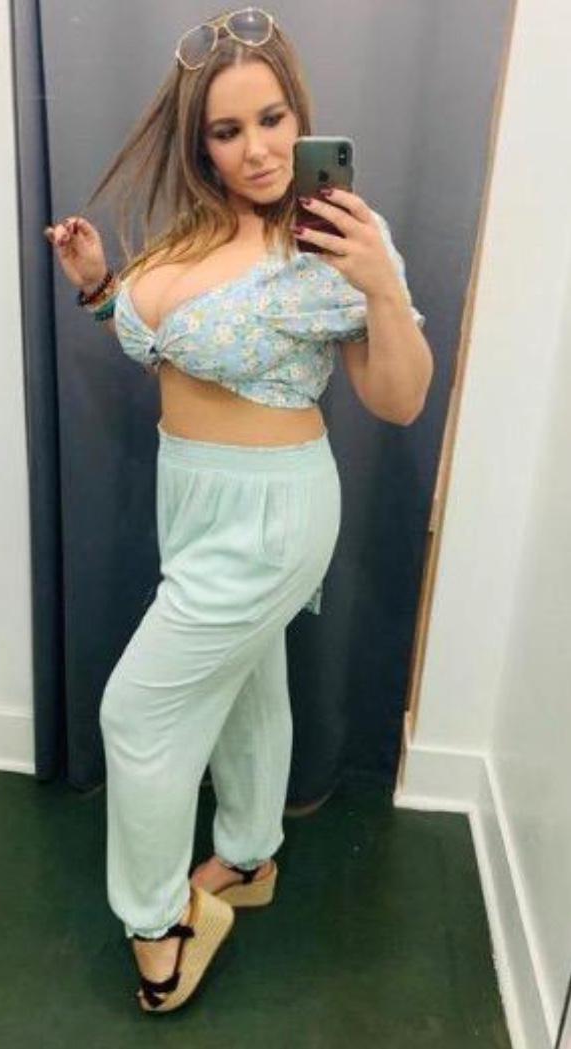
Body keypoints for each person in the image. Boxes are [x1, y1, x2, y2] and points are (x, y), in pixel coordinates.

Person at [45, 6, 432, 1014]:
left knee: (138, 712)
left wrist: (381, 288)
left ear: (300, 118)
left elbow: (398, 400)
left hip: (272, 513)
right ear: (201, 143)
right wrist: (103, 291)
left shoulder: (338, 242)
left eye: (272, 119)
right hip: (193, 497)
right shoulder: (192, 235)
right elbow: (175, 353)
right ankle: (251, 854)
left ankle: (158, 924)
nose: (257, 148)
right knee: (250, 686)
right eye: (228, 129)